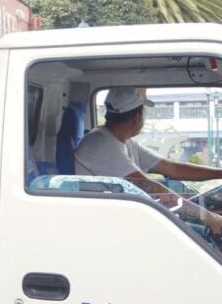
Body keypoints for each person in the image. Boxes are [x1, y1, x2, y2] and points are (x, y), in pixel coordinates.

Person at [73, 87, 222, 235]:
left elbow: (173, 169)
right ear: (138, 117)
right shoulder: (102, 145)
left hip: (125, 216)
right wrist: (207, 216)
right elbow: (152, 188)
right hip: (110, 224)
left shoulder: (122, 141)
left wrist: (219, 173)